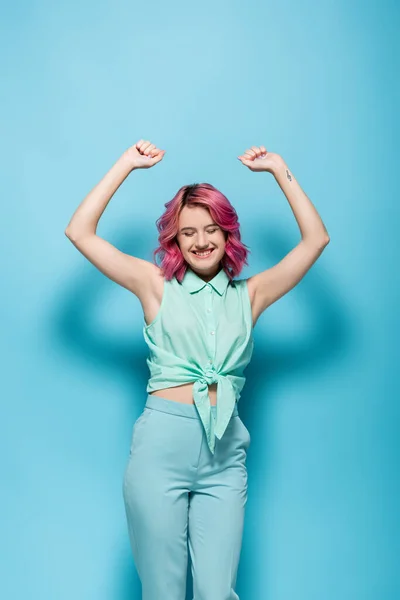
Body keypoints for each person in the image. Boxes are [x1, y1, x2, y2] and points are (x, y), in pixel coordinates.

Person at [65, 139, 330, 599]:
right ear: (175, 240)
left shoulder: (252, 295)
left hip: (225, 456)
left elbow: (315, 240)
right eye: (188, 232)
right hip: (160, 453)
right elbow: (80, 232)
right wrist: (126, 165)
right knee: (163, 592)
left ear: (228, 234)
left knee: (216, 593)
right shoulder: (154, 287)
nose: (201, 241)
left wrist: (280, 169)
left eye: (211, 229)